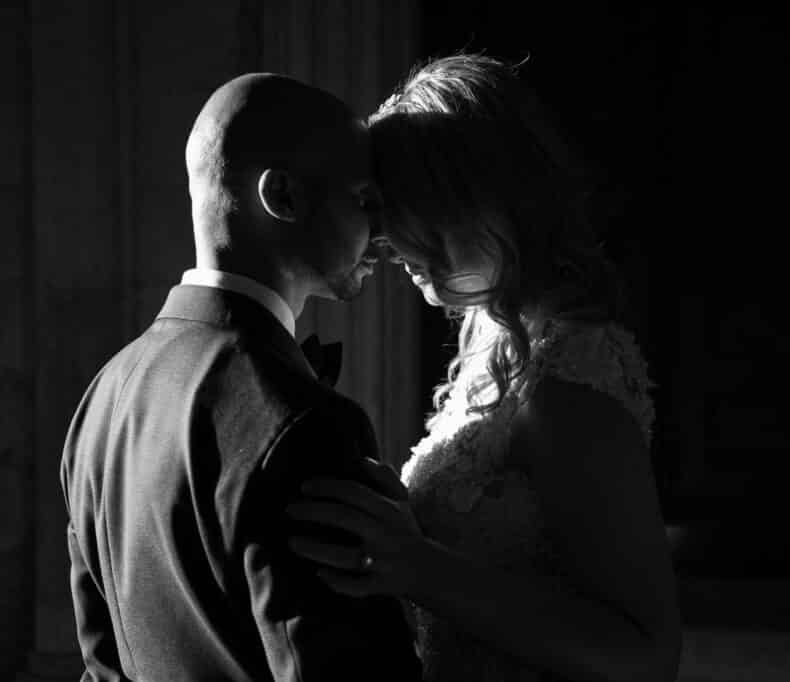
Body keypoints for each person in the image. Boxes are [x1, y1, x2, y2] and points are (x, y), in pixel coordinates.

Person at [288, 54, 682, 682]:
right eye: (380, 208)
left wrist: (419, 566)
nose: (386, 241)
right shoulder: (492, 340)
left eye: (412, 209)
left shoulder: (567, 387)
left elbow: (646, 655)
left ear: (490, 199)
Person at [60, 73, 421, 681]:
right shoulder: (307, 424)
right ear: (282, 195)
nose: (383, 233)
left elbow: (101, 671)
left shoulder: (104, 395)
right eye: (364, 200)